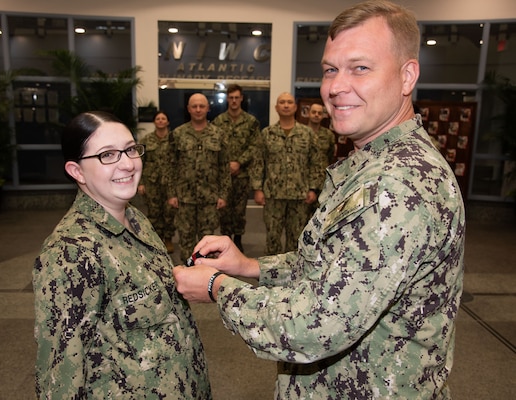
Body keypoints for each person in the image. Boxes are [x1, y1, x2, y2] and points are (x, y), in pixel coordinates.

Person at [173, 1, 465, 399]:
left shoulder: (398, 184)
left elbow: (312, 327)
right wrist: (250, 265)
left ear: (406, 75)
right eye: (330, 69)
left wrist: (216, 287)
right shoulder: (371, 161)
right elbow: (328, 266)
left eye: (360, 68)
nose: (336, 87)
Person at [33, 111, 211, 399]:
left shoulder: (135, 218)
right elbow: (60, 372)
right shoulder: (71, 252)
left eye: (130, 149)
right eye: (107, 155)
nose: (127, 164)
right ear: (76, 171)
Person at [250, 92, 321, 255]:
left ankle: (292, 277)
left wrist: (313, 188)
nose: (286, 105)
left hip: (300, 195)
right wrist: (257, 188)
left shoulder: (307, 133)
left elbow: (316, 163)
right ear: (276, 107)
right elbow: (259, 162)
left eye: (289, 102)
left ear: (295, 107)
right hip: (273, 195)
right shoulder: (267, 133)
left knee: (296, 238)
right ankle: (271, 276)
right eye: (282, 102)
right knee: (272, 237)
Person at [168, 93, 231, 262]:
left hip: (209, 198)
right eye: (194, 106)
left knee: (208, 244)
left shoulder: (219, 134)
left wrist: (223, 194)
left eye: (202, 106)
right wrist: (171, 194)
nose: (198, 110)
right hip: (184, 199)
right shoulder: (178, 134)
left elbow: (224, 167)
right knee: (186, 241)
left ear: (208, 108)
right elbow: (171, 166)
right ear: (188, 109)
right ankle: (186, 278)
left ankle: (205, 281)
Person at [212, 84, 260, 252]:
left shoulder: (251, 122)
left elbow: (255, 146)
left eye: (236, 97)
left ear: (241, 98)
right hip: (223, 175)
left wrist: (239, 162)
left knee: (239, 211)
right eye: (230, 97)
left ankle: (238, 239)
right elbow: (215, 146)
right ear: (227, 99)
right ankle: (226, 240)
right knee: (223, 210)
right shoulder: (218, 121)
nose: (233, 101)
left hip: (242, 173)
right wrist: (227, 165)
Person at [137, 110, 176, 253]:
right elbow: (139, 162)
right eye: (158, 118)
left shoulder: (174, 140)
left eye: (163, 118)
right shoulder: (146, 140)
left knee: (169, 212)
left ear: (167, 122)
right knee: (154, 213)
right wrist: (140, 182)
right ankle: (157, 239)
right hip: (151, 182)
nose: (160, 121)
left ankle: (168, 239)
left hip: (169, 183)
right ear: (154, 122)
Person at [306, 102, 336, 170]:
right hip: (304, 175)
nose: (316, 115)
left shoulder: (328, 135)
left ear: (322, 116)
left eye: (319, 113)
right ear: (308, 113)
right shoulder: (300, 133)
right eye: (314, 112)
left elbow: (330, 156)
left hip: (321, 175)